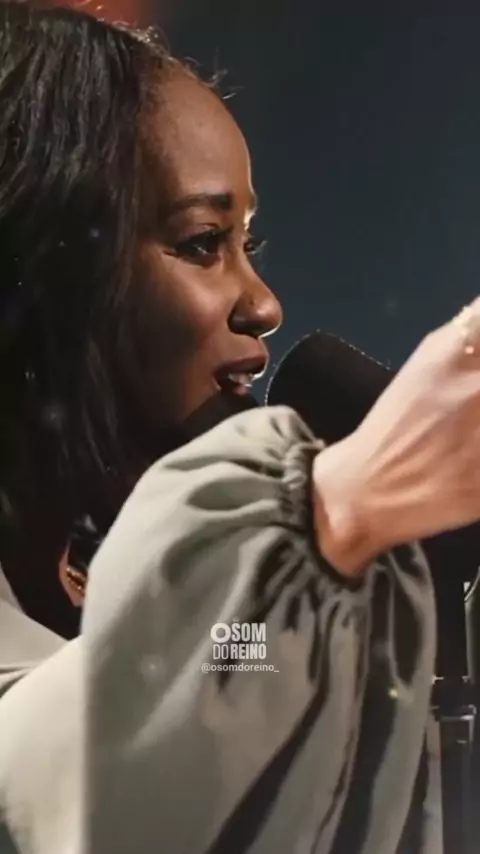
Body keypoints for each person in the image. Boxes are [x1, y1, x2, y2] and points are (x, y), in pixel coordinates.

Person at [0, 3, 480, 852]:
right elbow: (57, 782)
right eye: (201, 243)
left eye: (246, 244)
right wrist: (340, 509)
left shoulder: (102, 577)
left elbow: (230, 666)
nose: (263, 304)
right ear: (40, 273)